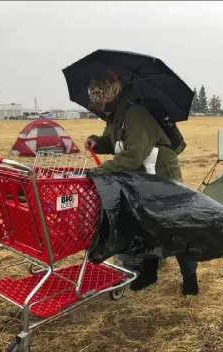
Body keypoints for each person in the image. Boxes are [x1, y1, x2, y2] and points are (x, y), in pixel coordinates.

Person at [84, 71, 199, 296]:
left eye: (100, 103)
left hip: (162, 177)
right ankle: (149, 272)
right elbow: (116, 142)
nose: (98, 108)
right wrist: (98, 142)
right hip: (141, 177)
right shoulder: (115, 115)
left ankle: (190, 279)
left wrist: (96, 172)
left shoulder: (137, 115)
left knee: (177, 229)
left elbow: (132, 156)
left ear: (111, 96)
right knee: (145, 226)